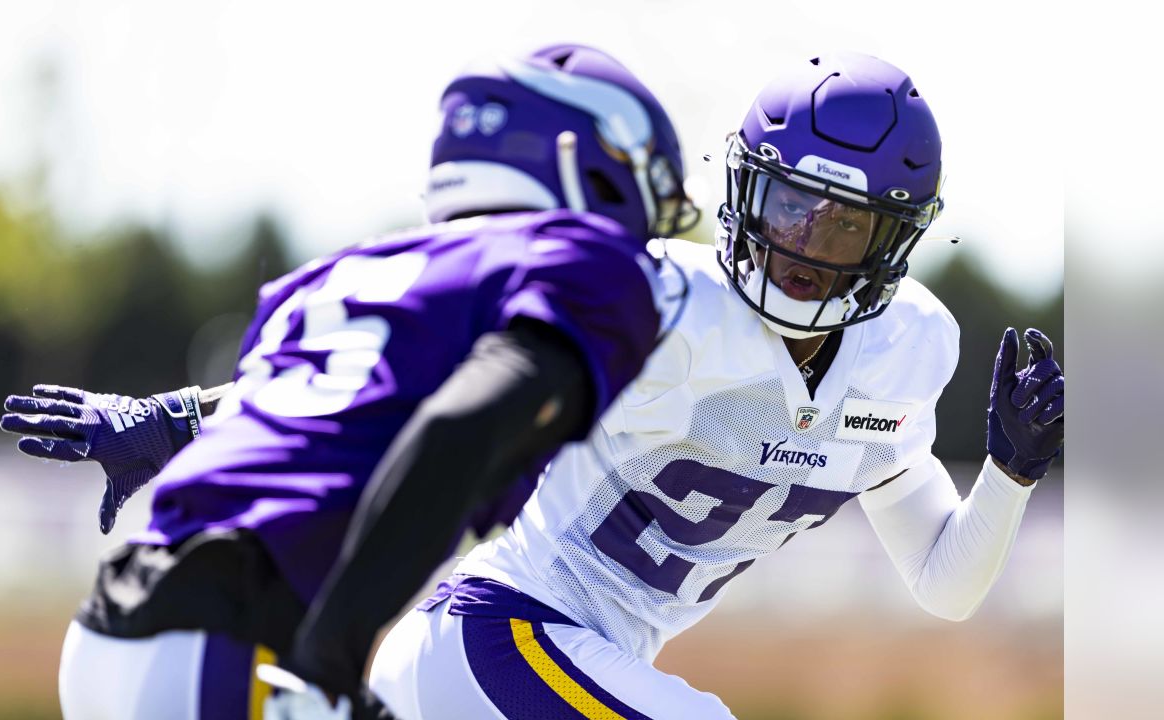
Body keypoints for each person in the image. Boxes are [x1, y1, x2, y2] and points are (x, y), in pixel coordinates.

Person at [332, 51, 1065, 719]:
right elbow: (435, 371)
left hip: (563, 675)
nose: (800, 245)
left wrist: (1010, 474)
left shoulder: (904, 350)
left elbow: (946, 585)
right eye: (787, 203)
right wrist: (232, 417)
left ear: (892, 238)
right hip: (498, 638)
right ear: (746, 187)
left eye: (841, 225)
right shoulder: (667, 306)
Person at [0, 43, 698, 719]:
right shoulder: (585, 263)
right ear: (589, 160)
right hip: (240, 639)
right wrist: (329, 665)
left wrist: (166, 421)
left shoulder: (337, 275)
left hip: (112, 629)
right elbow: (462, 428)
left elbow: (325, 414)